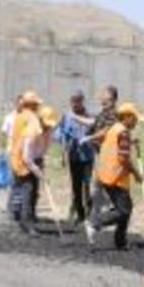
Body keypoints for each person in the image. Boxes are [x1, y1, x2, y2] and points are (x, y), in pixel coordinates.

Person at [85, 103, 144, 250]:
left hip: (106, 174)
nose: (136, 122)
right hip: (115, 176)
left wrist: (131, 142)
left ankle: (120, 241)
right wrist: (137, 174)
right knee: (124, 210)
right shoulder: (123, 132)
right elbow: (123, 158)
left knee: (126, 207)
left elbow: (116, 144)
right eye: (134, 118)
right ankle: (95, 223)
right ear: (127, 117)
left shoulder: (115, 129)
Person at [11, 101, 59, 235]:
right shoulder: (32, 131)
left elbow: (44, 148)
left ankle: (29, 218)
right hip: (22, 160)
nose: (48, 127)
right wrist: (40, 174)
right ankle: (26, 224)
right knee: (28, 190)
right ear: (40, 120)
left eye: (50, 125)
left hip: (35, 158)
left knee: (34, 192)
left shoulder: (48, 130)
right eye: (46, 124)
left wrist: (41, 161)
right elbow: (27, 158)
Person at [56, 90, 95, 224]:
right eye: (72, 102)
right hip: (73, 156)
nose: (74, 104)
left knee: (87, 185)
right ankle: (79, 214)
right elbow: (62, 136)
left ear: (82, 101)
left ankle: (89, 211)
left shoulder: (89, 116)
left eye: (77, 101)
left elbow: (95, 133)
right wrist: (63, 154)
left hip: (87, 157)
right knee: (76, 187)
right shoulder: (66, 117)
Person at [8, 91, 42, 222]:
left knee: (20, 191)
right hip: (25, 162)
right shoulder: (31, 120)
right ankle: (27, 224)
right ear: (32, 105)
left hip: (16, 158)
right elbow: (27, 152)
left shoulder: (20, 116)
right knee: (27, 192)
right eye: (36, 105)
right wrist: (37, 170)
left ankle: (21, 219)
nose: (38, 107)